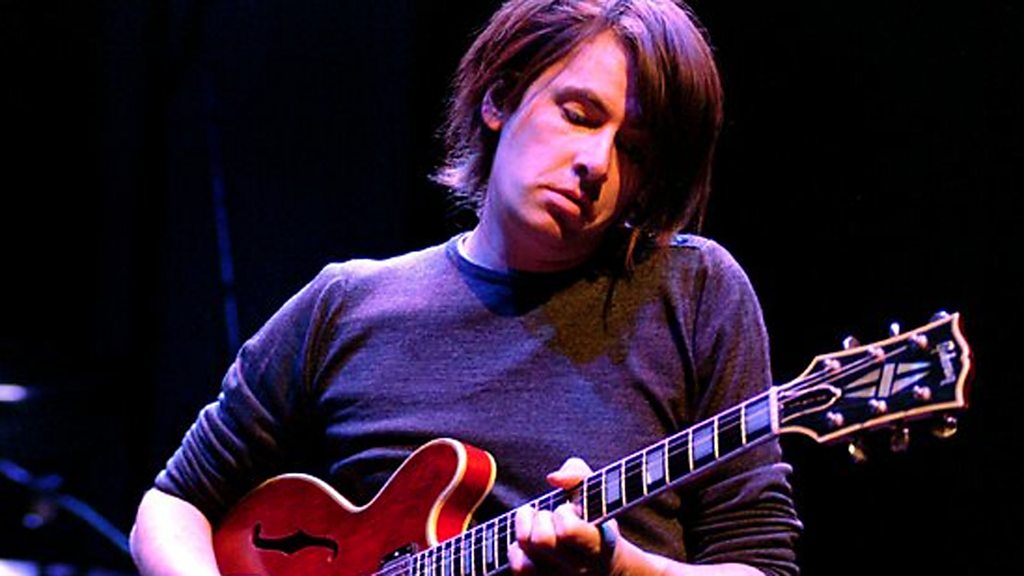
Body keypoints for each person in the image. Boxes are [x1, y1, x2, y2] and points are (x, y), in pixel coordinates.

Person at [129, 0, 802, 574]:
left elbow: (761, 564)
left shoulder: (695, 292)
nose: (598, 163)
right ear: (499, 99)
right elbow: (172, 505)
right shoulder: (347, 304)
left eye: (635, 149)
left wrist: (621, 566)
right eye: (579, 115)